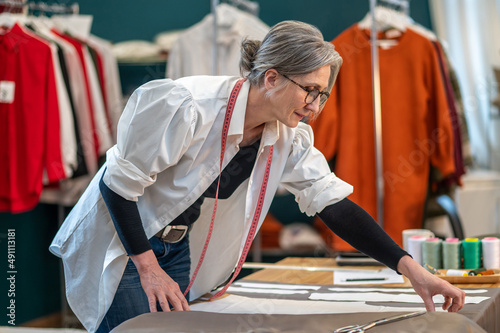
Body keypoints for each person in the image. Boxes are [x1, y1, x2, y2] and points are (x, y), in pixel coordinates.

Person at [50, 20, 465, 333]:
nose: (315, 105)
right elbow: (117, 185)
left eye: (322, 94)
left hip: (176, 248)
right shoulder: (186, 105)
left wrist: (412, 270)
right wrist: (146, 266)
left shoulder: (288, 134)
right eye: (309, 90)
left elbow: (331, 204)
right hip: (124, 245)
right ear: (271, 78)